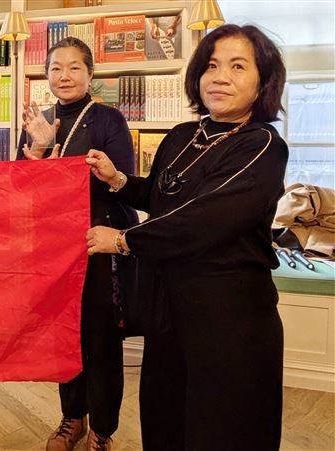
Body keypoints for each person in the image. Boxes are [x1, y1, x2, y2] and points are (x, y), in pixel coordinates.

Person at [85, 24, 288, 450]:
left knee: (222, 432)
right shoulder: (182, 136)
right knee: (166, 423)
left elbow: (205, 219)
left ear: (263, 81)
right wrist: (119, 180)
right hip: (168, 312)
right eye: (211, 66)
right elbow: (164, 196)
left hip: (229, 320)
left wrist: (123, 240)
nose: (220, 77)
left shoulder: (263, 145)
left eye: (237, 66)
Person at [18, 37, 137, 451]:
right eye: (56, 68)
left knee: (101, 340)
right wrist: (36, 148)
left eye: (74, 68)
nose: (64, 76)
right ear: (46, 75)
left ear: (90, 74)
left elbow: (121, 182)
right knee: (63, 335)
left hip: (100, 242)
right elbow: (21, 188)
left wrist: (55, 170)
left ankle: (102, 429)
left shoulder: (109, 119)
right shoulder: (40, 120)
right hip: (54, 246)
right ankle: (73, 417)